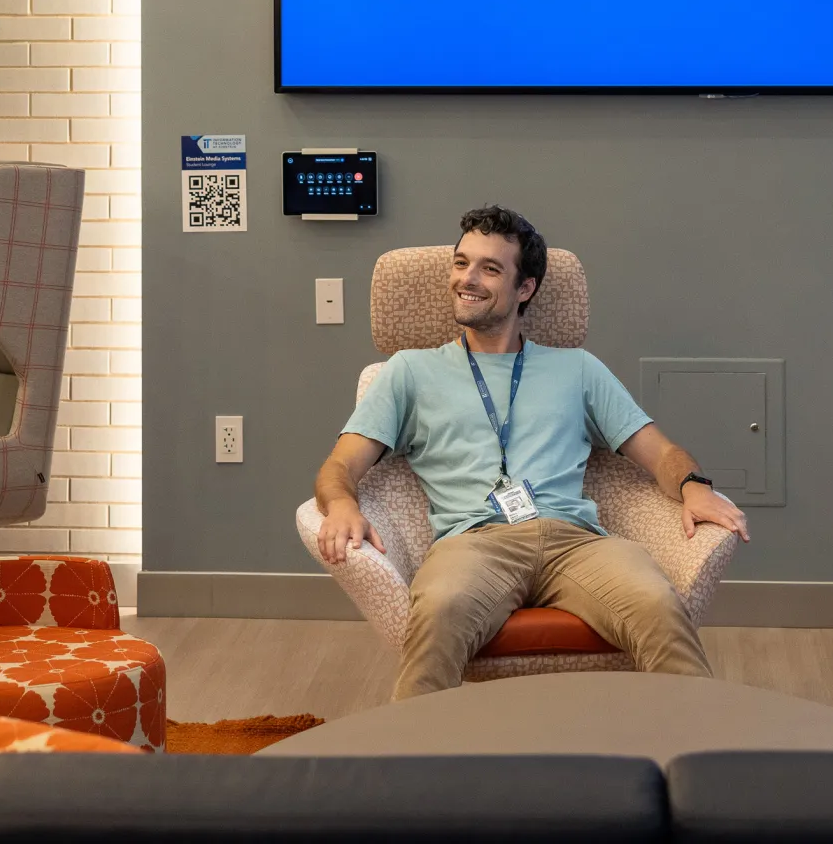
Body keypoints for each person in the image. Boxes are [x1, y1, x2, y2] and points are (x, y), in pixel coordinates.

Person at [314, 204, 750, 700]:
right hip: (473, 543)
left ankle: (693, 760)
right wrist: (343, 503)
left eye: (489, 268)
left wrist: (694, 487)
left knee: (658, 605)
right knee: (437, 613)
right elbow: (339, 465)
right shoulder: (408, 372)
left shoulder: (578, 369)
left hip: (576, 541)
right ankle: (418, 771)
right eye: (461, 263)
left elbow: (662, 452)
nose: (467, 279)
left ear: (526, 289)